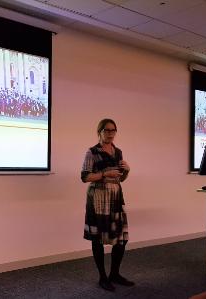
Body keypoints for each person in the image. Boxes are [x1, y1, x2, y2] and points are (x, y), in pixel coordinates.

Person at [81, 118, 134, 292]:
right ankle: (102, 278)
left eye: (113, 130)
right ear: (100, 132)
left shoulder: (118, 152)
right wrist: (104, 174)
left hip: (116, 197)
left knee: (121, 240)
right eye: (107, 130)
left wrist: (126, 171)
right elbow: (85, 177)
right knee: (97, 240)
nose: (110, 133)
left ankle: (114, 274)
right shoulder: (92, 152)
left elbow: (120, 179)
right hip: (97, 198)